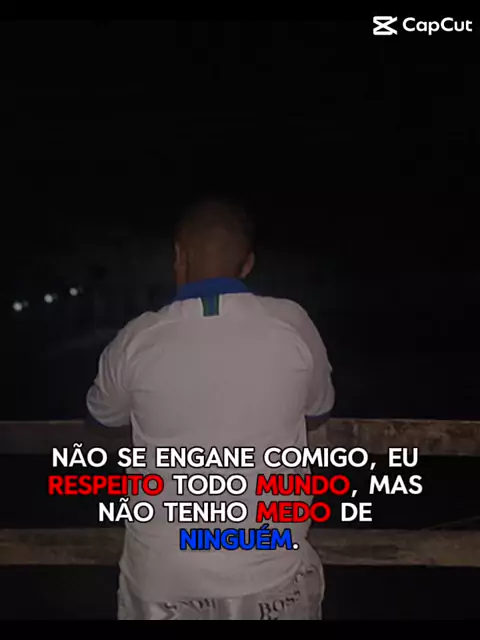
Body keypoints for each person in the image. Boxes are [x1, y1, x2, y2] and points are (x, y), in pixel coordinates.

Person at [86, 198, 335, 620]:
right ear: (248, 263)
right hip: (269, 570)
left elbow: (102, 418)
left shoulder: (137, 339)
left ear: (178, 256)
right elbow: (318, 411)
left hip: (163, 576)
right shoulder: (292, 324)